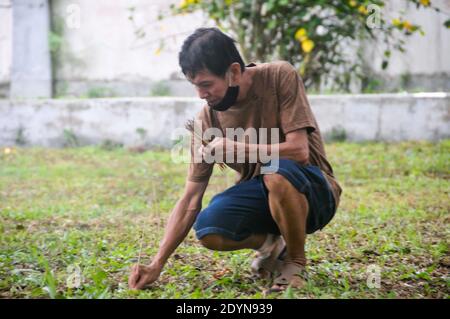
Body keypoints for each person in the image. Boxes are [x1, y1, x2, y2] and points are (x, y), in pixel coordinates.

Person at [128, 27, 342, 293]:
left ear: (234, 72)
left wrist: (238, 147)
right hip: (266, 194)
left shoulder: (279, 76)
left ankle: (295, 262)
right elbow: (189, 200)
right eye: (195, 86)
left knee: (275, 171)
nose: (201, 95)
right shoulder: (206, 122)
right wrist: (156, 263)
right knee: (209, 227)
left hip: (314, 191)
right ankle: (272, 246)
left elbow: (299, 151)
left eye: (206, 84)